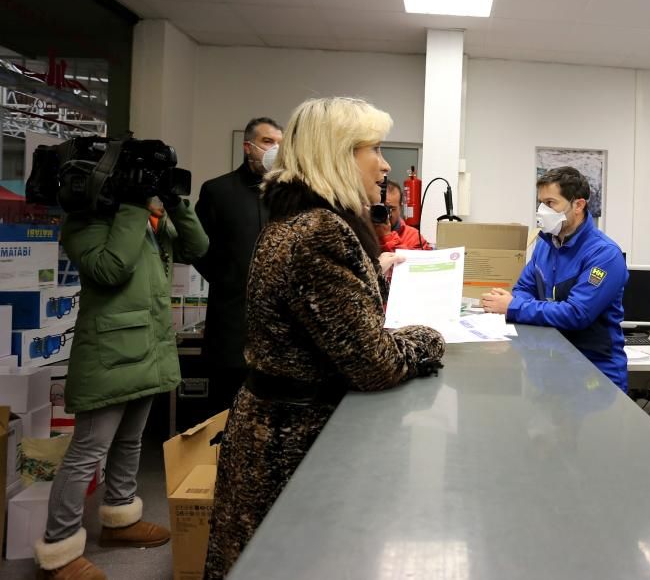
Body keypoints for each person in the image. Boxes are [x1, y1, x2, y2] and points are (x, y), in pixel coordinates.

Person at [203, 97, 445, 578]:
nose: (384, 164)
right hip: (290, 443)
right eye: (372, 149)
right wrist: (428, 339)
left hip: (278, 428)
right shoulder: (320, 232)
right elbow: (374, 363)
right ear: (336, 153)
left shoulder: (301, 220)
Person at [35, 193, 208, 580]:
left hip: (148, 345)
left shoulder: (148, 220)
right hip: (109, 352)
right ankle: (58, 552)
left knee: (131, 440)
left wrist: (177, 205)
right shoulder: (84, 220)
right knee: (88, 450)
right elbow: (111, 269)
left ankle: (120, 519)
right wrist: (132, 207)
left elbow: (197, 247)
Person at [481, 166, 629, 392]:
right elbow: (523, 288)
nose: (542, 210)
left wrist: (514, 307)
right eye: (540, 203)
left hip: (594, 375)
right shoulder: (545, 245)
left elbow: (577, 314)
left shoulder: (604, 254)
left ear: (578, 205)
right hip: (551, 369)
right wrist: (516, 303)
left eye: (550, 203)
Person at [194, 117, 283, 412]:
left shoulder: (287, 196)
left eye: (281, 144)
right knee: (225, 415)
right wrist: (229, 278)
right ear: (249, 146)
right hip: (231, 328)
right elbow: (198, 249)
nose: (275, 149)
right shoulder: (218, 192)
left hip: (277, 333)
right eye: (269, 142)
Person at [374, 179, 432, 252]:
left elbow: (413, 262)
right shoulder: (361, 233)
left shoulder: (414, 237)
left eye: (390, 208)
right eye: (379, 208)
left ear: (400, 207)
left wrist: (387, 237)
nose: (384, 213)